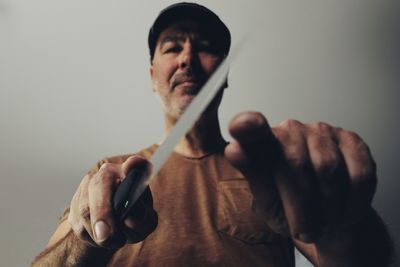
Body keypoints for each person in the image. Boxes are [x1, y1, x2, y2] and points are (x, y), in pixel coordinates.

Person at [32, 3, 393, 266]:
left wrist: (345, 219)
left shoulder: (269, 169)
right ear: (152, 76)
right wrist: (88, 240)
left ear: (224, 74)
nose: (187, 57)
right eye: (173, 47)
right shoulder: (109, 172)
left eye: (205, 46)